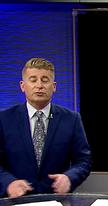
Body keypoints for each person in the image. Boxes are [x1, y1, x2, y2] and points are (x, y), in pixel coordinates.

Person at [0, 57, 92, 198]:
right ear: (22, 86)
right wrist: (8, 183)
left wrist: (69, 178)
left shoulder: (71, 119)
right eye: (33, 79)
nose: (39, 85)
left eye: (45, 80)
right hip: (13, 204)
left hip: (57, 203)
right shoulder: (4, 119)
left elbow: (83, 160)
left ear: (54, 86)